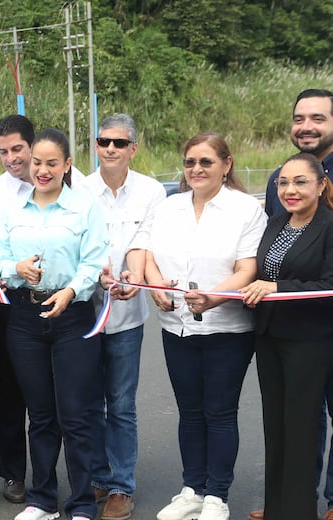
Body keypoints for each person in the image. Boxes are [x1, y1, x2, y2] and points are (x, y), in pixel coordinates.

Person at [146, 133, 266, 520]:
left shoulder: (246, 210)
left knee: (219, 411)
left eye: (205, 162)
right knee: (189, 411)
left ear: (226, 165)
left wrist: (215, 297)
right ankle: (192, 489)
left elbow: (248, 269)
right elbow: (146, 254)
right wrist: (155, 284)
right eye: (190, 162)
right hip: (175, 325)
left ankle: (217, 495)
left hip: (226, 327)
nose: (196, 169)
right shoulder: (170, 207)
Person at [0, 128, 109, 520]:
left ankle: (81, 504)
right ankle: (42, 499)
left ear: (67, 165)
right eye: (36, 163)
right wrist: (16, 268)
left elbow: (94, 260)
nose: (42, 170)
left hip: (72, 316)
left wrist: (72, 291)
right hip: (24, 318)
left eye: (51, 163)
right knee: (41, 414)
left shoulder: (84, 207)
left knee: (75, 414)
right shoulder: (11, 209)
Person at [253, 88, 333, 520]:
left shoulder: (330, 226)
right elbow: (259, 272)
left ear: (321, 185)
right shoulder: (277, 222)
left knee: (301, 431)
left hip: (309, 341)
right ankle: (277, 507)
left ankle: (298, 511)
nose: (290, 189)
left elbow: (328, 282)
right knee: (276, 431)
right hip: (270, 339)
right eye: (283, 182)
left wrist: (277, 288)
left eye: (300, 181)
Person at [82, 114, 166, 520]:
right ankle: (97, 476)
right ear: (95, 146)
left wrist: (132, 275)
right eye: (103, 141)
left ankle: (121, 486)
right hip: (84, 312)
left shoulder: (151, 192)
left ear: (134, 147)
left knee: (120, 403)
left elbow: (144, 242)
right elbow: (77, 240)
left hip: (127, 317)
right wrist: (97, 272)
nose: (110, 149)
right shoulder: (77, 187)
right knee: (87, 402)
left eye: (119, 142)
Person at [0, 114, 34, 505]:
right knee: (11, 393)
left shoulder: (68, 184)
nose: (11, 158)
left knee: (54, 397)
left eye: (17, 149)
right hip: (9, 304)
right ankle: (14, 475)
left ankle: (54, 474)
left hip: (60, 301)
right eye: (3, 152)